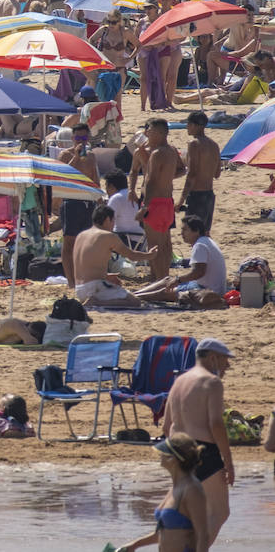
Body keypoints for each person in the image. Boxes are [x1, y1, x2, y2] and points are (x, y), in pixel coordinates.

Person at [163, 339, 236, 543]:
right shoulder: (212, 383)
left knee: (187, 513)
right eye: (225, 360)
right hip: (203, 451)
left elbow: (166, 425)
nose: (228, 365)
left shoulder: (179, 382)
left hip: (176, 450)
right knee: (220, 512)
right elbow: (215, 424)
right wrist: (228, 461)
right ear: (212, 358)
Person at [115, 432, 212, 552]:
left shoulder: (192, 489)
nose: (160, 454)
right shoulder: (176, 487)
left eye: (164, 452)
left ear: (173, 459)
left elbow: (203, 534)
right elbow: (164, 532)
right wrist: (134, 545)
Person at [131, 117, 186, 281]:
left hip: (154, 202)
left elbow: (150, 181)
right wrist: (166, 178)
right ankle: (162, 277)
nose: (147, 132)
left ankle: (159, 280)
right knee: (165, 243)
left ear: (161, 133)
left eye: (151, 130)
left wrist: (144, 207)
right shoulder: (171, 151)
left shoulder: (156, 153)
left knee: (154, 244)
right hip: (167, 201)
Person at [72, 205, 153, 307]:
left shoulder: (81, 235)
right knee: (134, 302)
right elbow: (132, 255)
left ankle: (95, 300)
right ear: (107, 220)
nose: (113, 224)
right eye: (113, 220)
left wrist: (105, 276)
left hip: (79, 289)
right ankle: (97, 302)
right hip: (95, 288)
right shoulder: (108, 236)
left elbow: (85, 265)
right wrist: (150, 255)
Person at [133, 216, 228, 303]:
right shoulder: (206, 241)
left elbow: (199, 272)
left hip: (207, 290)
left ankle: (135, 298)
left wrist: (178, 280)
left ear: (196, 231)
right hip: (208, 287)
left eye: (185, 230)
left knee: (165, 292)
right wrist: (177, 280)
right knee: (167, 280)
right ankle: (135, 294)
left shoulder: (200, 245)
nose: (181, 233)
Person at [57, 122, 101, 288]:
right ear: (72, 138)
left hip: (87, 202)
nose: (81, 141)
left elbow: (95, 180)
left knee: (85, 242)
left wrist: (99, 198)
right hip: (71, 201)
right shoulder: (65, 155)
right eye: (78, 138)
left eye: (84, 137)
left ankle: (81, 278)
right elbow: (62, 177)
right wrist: (76, 157)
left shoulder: (91, 156)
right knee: (69, 242)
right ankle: (70, 281)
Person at [179, 112, 220, 236]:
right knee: (205, 233)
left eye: (189, 124)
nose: (187, 126)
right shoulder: (214, 145)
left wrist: (181, 199)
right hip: (209, 195)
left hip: (197, 195)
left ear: (197, 126)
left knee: (193, 234)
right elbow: (217, 174)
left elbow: (192, 173)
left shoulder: (194, 144)